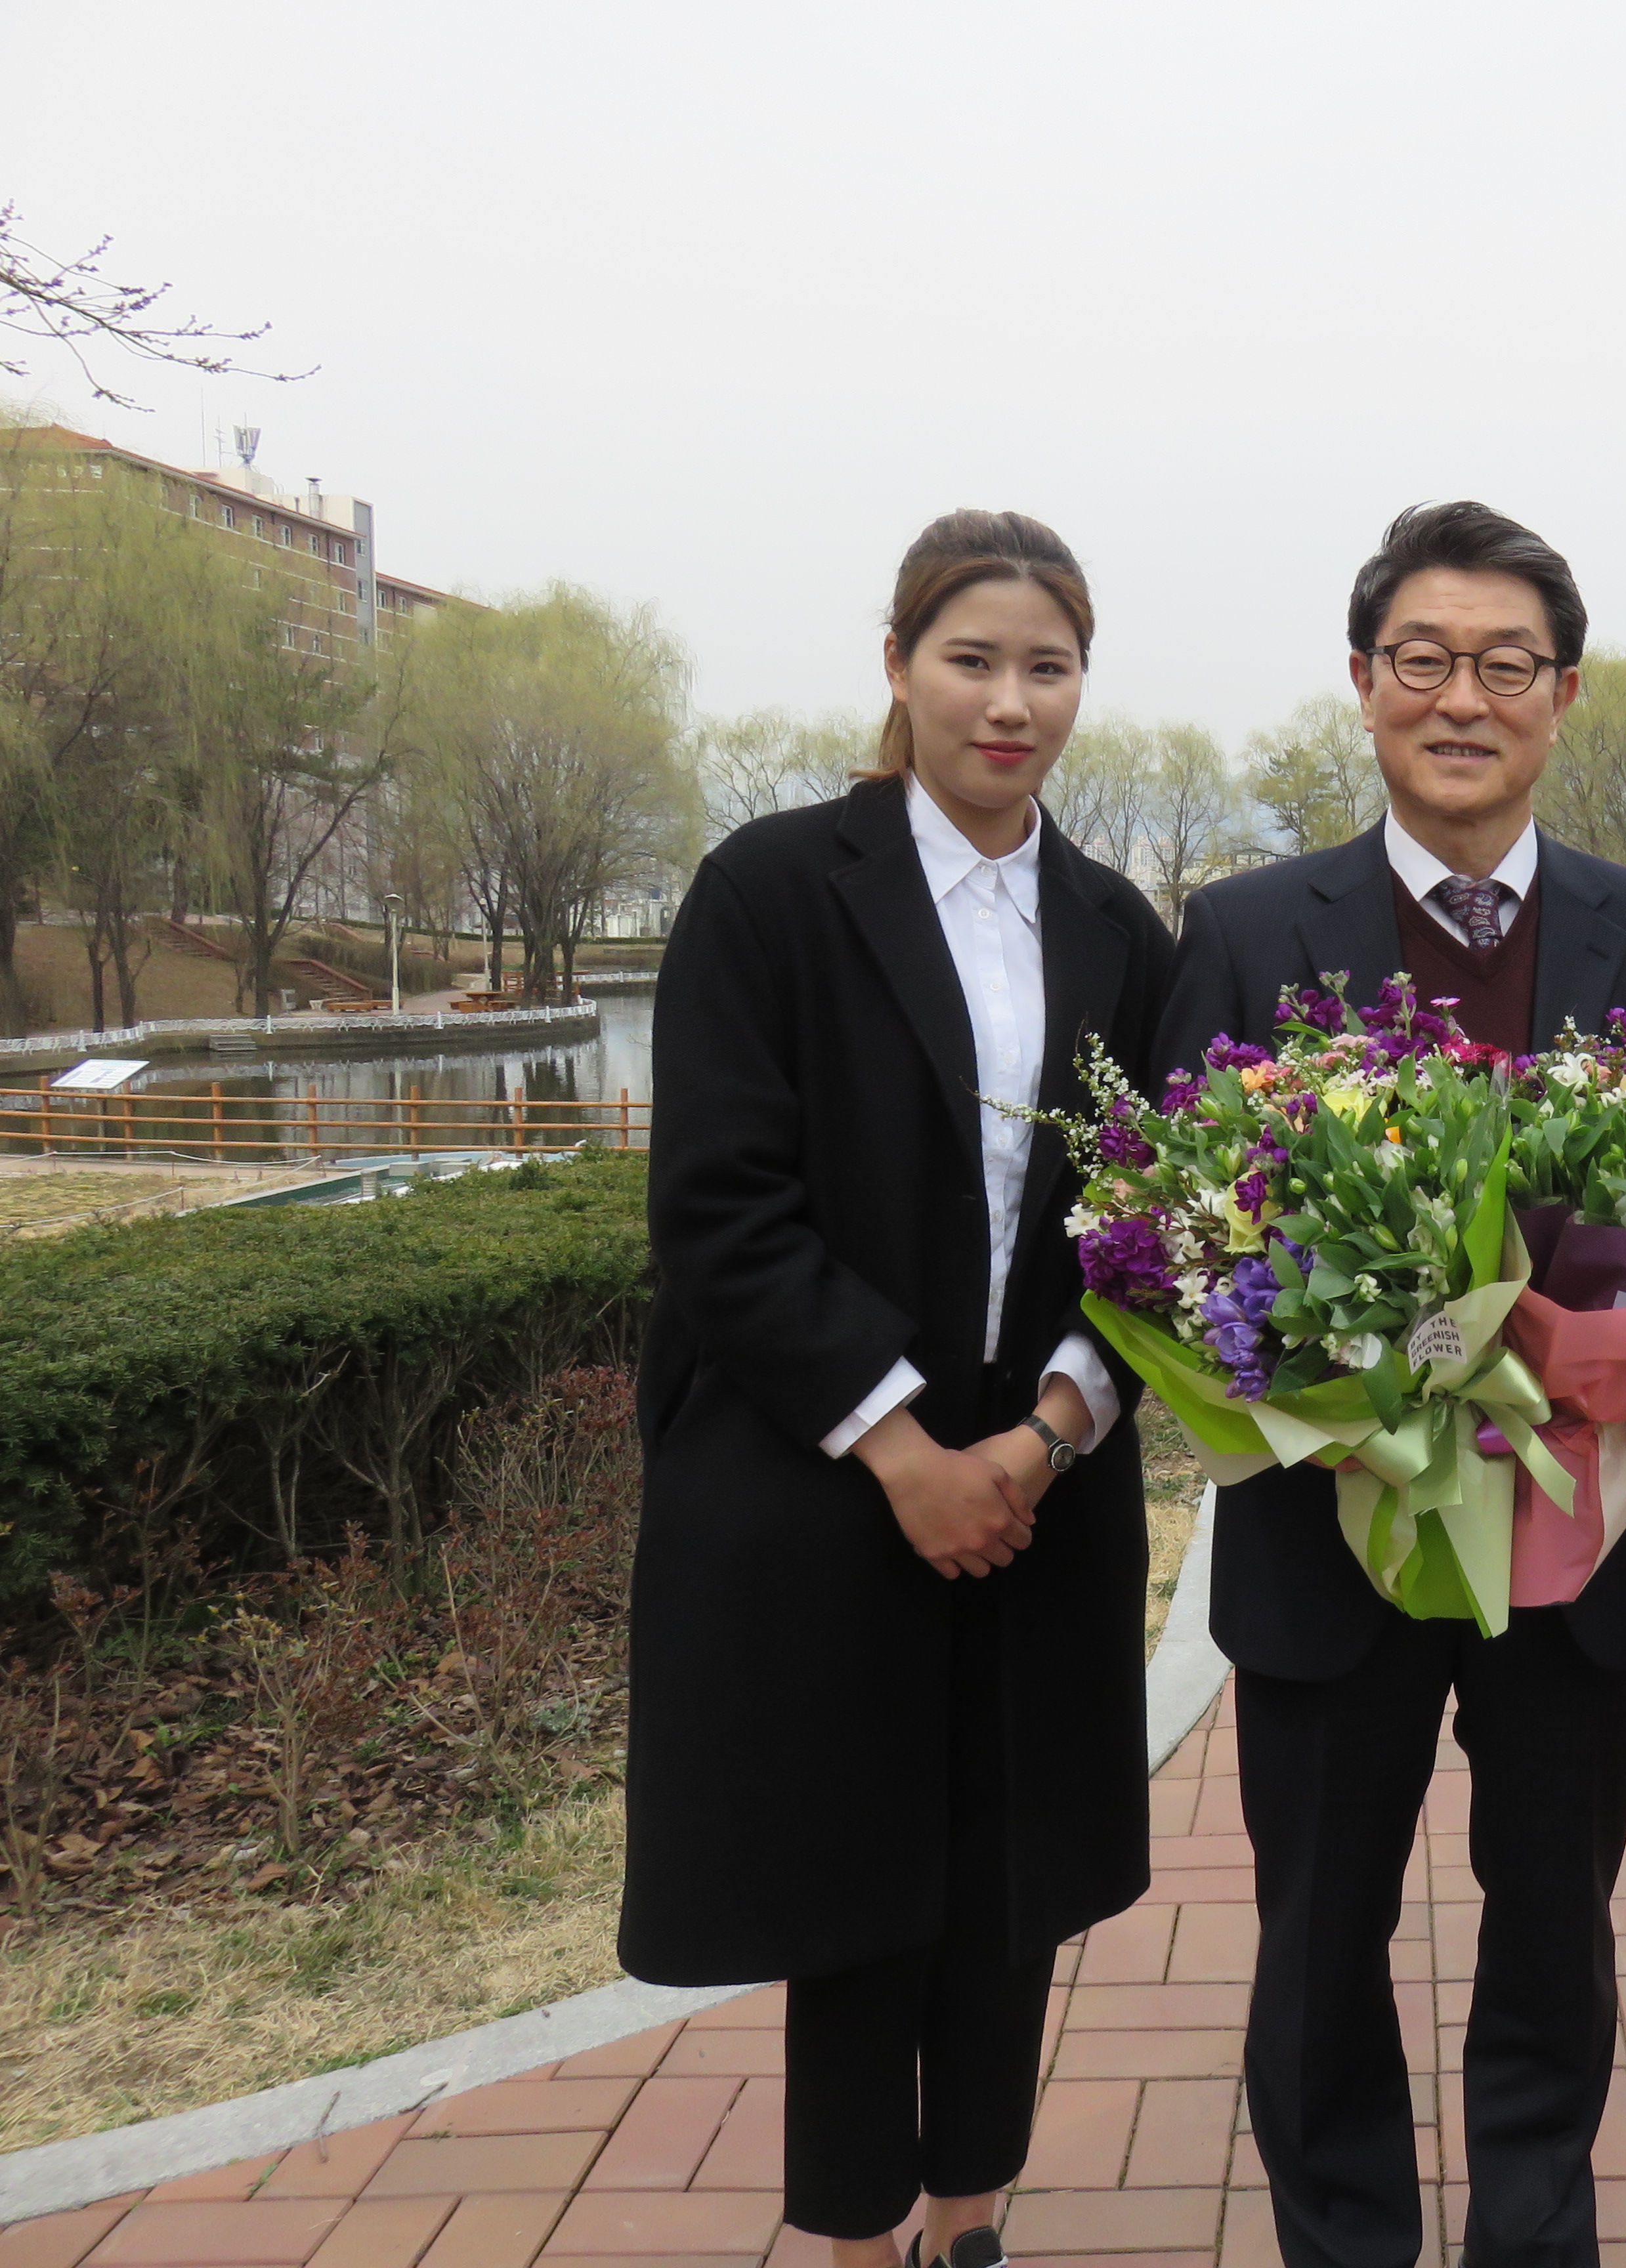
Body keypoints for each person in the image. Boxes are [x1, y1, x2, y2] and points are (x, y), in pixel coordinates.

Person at [1154, 501, 1626, 2268]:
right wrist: (1301, 1375)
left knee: (1555, 1931)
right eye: (1424, 659)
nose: (1462, 698)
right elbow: (1174, 1234)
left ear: (1564, 694)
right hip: (1330, 1542)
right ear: (1363, 680)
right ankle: (1345, 2240)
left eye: (1505, 665)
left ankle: (1533, 2238)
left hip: (1578, 1531)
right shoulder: (1246, 929)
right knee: (1316, 1939)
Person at [622, 511, 1176, 2268]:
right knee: (853, 1890)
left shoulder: (1116, 927)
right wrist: (906, 1448)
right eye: (973, 660)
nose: (1011, 703)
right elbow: (721, 1206)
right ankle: (861, 2235)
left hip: (1038, 1481)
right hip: (830, 1479)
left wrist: (1051, 1432)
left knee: (1007, 1880)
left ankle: (970, 2217)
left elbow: (1163, 1220)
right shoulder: (775, 891)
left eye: (1047, 667)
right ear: (898, 666)